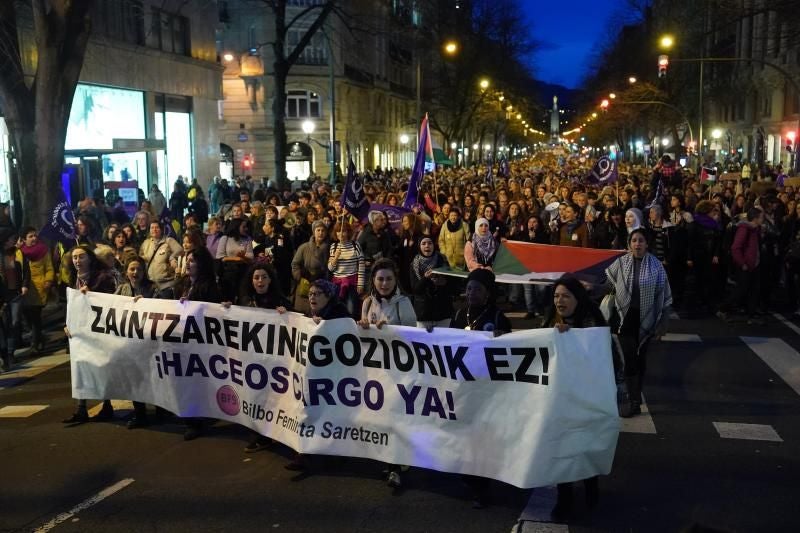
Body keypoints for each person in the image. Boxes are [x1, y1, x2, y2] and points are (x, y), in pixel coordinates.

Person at [540, 276, 616, 520]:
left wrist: (572, 336)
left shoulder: (592, 321)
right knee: (561, 446)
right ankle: (564, 499)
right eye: (556, 296)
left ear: (577, 298)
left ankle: (591, 486)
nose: (559, 301)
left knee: (583, 444)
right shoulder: (551, 318)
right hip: (559, 396)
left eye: (565, 296)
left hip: (586, 396)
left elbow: (600, 357)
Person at [449, 268, 510, 508]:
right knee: (465, 434)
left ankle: (482, 487)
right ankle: (469, 478)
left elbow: (512, 348)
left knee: (481, 437)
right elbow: (447, 343)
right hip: (463, 386)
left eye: (478, 289)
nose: (472, 293)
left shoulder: (496, 317)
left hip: (486, 388)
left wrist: (502, 337)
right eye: (470, 288)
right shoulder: (459, 314)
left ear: (487, 294)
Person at [358, 258, 416, 489]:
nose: (384, 283)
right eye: (380, 279)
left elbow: (413, 337)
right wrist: (363, 325)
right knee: (382, 417)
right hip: (376, 371)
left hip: (398, 371)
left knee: (396, 417)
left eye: (389, 279)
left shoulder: (404, 303)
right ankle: (389, 460)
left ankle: (395, 465)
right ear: (373, 280)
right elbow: (362, 337)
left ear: (395, 280)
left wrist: (391, 330)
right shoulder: (367, 303)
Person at [604, 228, 672, 417]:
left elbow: (665, 296)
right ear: (629, 243)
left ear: (647, 244)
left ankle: (635, 393)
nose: (637, 244)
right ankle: (634, 401)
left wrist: (663, 324)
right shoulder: (621, 262)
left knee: (640, 359)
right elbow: (608, 285)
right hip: (624, 319)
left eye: (641, 240)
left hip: (647, 320)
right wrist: (589, 287)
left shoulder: (656, 266)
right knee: (630, 359)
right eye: (634, 240)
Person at [227, 262, 289, 452]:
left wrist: (287, 315)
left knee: (272, 399)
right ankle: (260, 435)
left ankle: (272, 435)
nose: (260, 281)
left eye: (263, 277)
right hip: (252, 360)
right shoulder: (245, 301)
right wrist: (227, 310)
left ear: (270, 280)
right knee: (255, 397)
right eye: (256, 277)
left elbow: (295, 325)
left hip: (274, 361)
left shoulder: (281, 301)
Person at [62, 245, 117, 424]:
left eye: (81, 257)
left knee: (100, 366)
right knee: (80, 366)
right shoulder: (73, 279)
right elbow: (72, 305)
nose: (77, 261)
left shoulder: (102, 278)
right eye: (75, 258)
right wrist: (67, 324)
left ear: (90, 259)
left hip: (99, 330)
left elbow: (109, 301)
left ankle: (107, 404)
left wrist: (91, 294)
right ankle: (81, 408)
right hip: (80, 330)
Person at [176, 247, 222, 440]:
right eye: (187, 259)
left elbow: (214, 311)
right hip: (183, 338)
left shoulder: (209, 286)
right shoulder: (183, 283)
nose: (188, 263)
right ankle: (191, 417)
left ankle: (195, 421)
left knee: (197, 380)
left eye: (193, 260)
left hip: (201, 340)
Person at [113, 256, 163, 429]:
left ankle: (161, 410)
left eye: (139, 269)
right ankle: (140, 413)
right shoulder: (121, 290)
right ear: (126, 272)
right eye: (132, 269)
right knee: (135, 378)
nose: (136, 273)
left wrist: (145, 305)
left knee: (154, 376)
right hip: (130, 343)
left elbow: (161, 309)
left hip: (149, 342)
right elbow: (110, 309)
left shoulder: (153, 288)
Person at [19, 227, 54, 354]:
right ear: (23, 239)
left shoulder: (43, 250)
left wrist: (48, 281)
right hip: (25, 289)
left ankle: (35, 344)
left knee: (35, 317)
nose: (34, 238)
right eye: (30, 236)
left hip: (39, 289)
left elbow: (49, 268)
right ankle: (39, 338)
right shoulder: (20, 252)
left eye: (35, 235)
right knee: (28, 317)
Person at [410, 237, 453, 330]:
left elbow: (453, 286)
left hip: (443, 313)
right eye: (424, 243)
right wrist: (425, 278)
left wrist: (444, 283)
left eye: (430, 243)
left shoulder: (443, 260)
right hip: (423, 314)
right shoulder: (414, 264)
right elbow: (415, 289)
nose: (427, 246)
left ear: (434, 245)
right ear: (419, 246)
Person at [327, 221, 365, 317]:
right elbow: (330, 268)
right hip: (337, 284)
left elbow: (361, 264)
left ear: (348, 232)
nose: (341, 234)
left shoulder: (355, 245)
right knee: (337, 312)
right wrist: (335, 257)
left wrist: (360, 284)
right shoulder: (333, 246)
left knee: (352, 312)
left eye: (343, 231)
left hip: (352, 283)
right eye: (338, 231)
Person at [291, 220, 329, 314]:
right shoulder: (304, 247)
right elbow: (295, 264)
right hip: (305, 284)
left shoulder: (330, 248)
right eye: (318, 230)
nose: (320, 233)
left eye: (323, 230)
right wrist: (299, 277)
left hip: (321, 285)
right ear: (314, 232)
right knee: (301, 314)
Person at [139, 220, 182, 298]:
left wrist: (172, 257)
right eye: (152, 228)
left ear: (161, 229)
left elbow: (180, 251)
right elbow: (140, 258)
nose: (154, 230)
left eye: (157, 227)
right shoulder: (146, 243)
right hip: (151, 285)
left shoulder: (168, 241)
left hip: (167, 285)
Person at [216, 218, 254, 301]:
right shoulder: (225, 238)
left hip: (243, 273)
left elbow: (250, 258)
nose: (246, 229)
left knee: (242, 297)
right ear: (236, 226)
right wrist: (238, 258)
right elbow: (221, 257)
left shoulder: (247, 239)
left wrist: (242, 258)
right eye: (244, 227)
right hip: (227, 275)